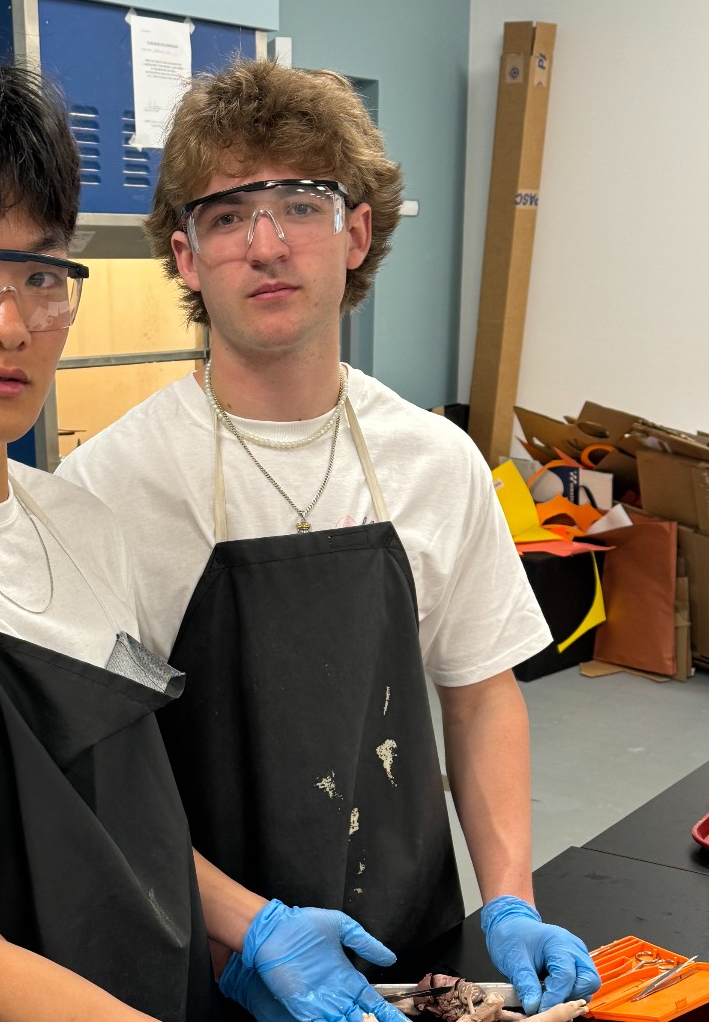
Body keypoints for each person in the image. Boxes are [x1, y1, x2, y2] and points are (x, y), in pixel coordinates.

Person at [0, 64, 422, 1022]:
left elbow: (115, 823)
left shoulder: (75, 519)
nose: (8, 324)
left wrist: (254, 921)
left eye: (42, 275)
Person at [57, 58, 602, 1017]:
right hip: (197, 953)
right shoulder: (108, 486)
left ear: (356, 233)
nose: (265, 244)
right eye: (226, 215)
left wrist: (509, 896)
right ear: (185, 257)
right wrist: (243, 931)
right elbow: (93, 773)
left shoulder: (436, 461)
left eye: (301, 204)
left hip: (404, 944)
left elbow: (479, 696)